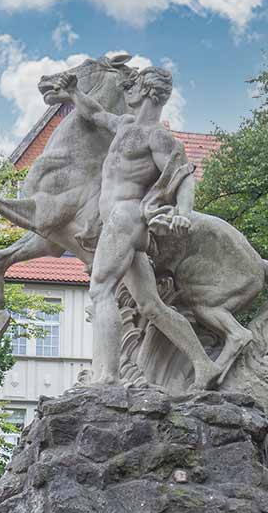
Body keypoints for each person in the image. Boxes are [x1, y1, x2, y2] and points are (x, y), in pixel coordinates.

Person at [57, 66, 218, 389]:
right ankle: (205, 364)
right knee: (151, 306)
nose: (125, 90)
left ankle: (107, 376)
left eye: (130, 85)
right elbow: (96, 113)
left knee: (101, 290)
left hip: (126, 218)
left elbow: (183, 175)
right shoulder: (125, 126)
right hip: (120, 223)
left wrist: (183, 212)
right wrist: (74, 92)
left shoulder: (155, 135)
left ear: (145, 90)